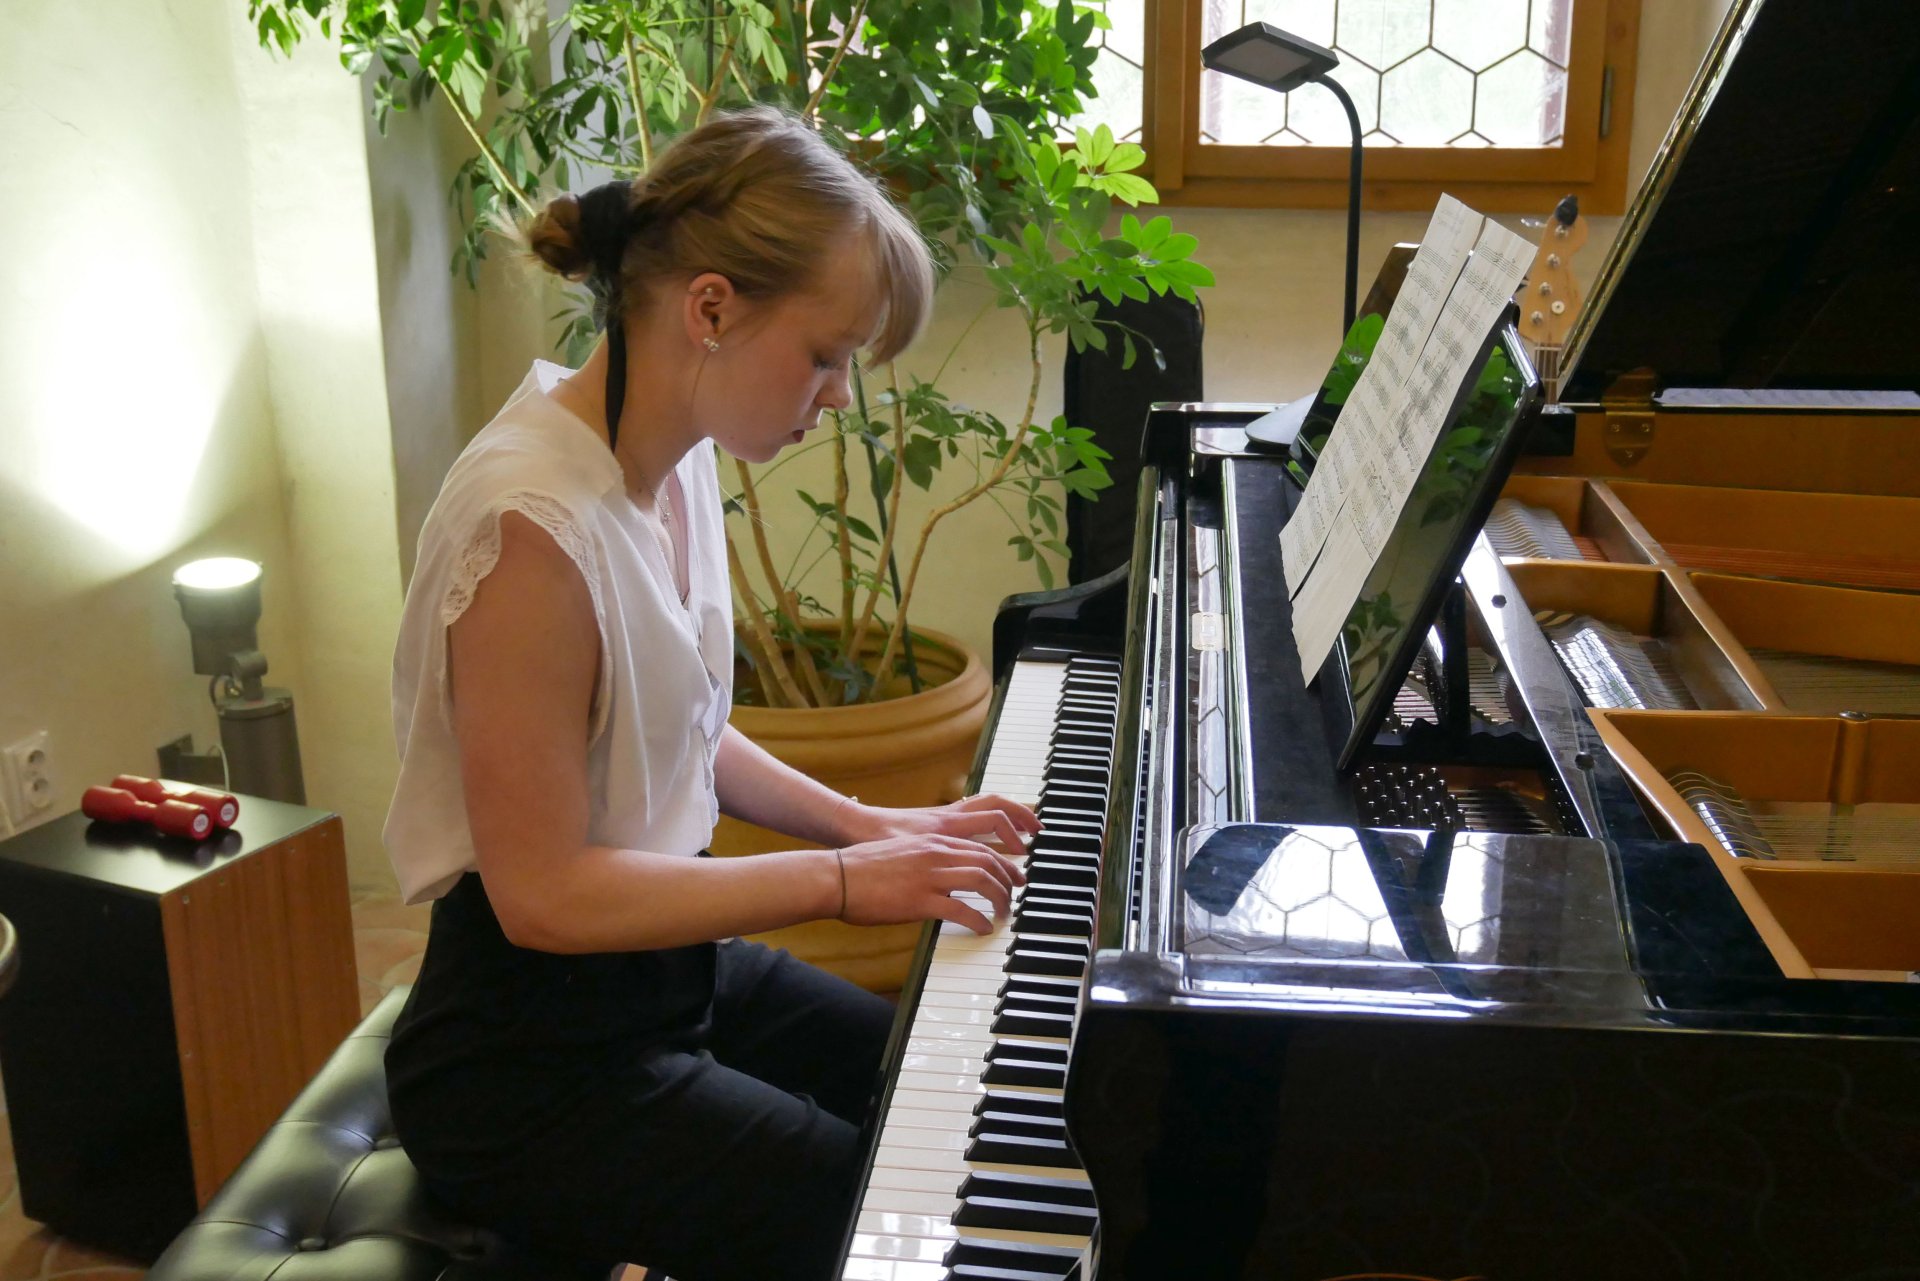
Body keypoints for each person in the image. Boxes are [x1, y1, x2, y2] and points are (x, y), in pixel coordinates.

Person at [380, 105, 1038, 1281]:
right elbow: (542, 897)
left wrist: (873, 825)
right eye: (826, 355)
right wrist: (845, 882)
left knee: (949, 1081)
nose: (839, 396)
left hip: (661, 979)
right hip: (525, 1067)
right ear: (713, 309)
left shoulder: (667, 459)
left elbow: (684, 721)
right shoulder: (530, 531)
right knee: (886, 1219)